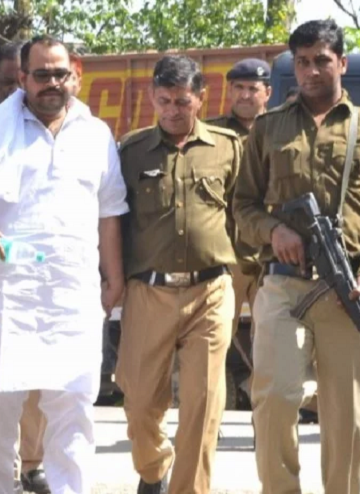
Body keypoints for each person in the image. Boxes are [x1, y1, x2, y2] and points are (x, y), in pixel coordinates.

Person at [0, 35, 128, 494]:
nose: (52, 83)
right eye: (42, 75)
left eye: (61, 74)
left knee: (74, 410)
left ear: (74, 75)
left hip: (70, 295)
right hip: (0, 296)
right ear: (22, 78)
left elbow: (109, 212)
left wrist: (114, 278)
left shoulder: (95, 134)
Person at [234, 20, 360, 494]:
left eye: (322, 61)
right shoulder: (268, 128)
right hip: (284, 285)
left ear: (342, 63)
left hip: (350, 290)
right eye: (303, 62)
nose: (311, 71)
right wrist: (274, 231)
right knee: (274, 398)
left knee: (348, 415)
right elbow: (243, 205)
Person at [116, 55, 239, 494]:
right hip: (149, 292)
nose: (172, 110)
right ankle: (153, 469)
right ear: (152, 97)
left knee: (203, 406)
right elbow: (115, 221)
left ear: (201, 98)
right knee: (140, 404)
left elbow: (243, 213)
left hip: (211, 291)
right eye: (164, 100)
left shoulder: (228, 147)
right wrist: (113, 280)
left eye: (183, 101)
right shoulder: (130, 152)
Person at [205, 58, 272, 407]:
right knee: (214, 341)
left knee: (272, 344)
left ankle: (266, 418)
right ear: (229, 91)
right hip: (227, 255)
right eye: (239, 88)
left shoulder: (281, 130)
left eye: (253, 89)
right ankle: (209, 419)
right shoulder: (211, 134)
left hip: (270, 255)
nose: (245, 95)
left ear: (267, 93)